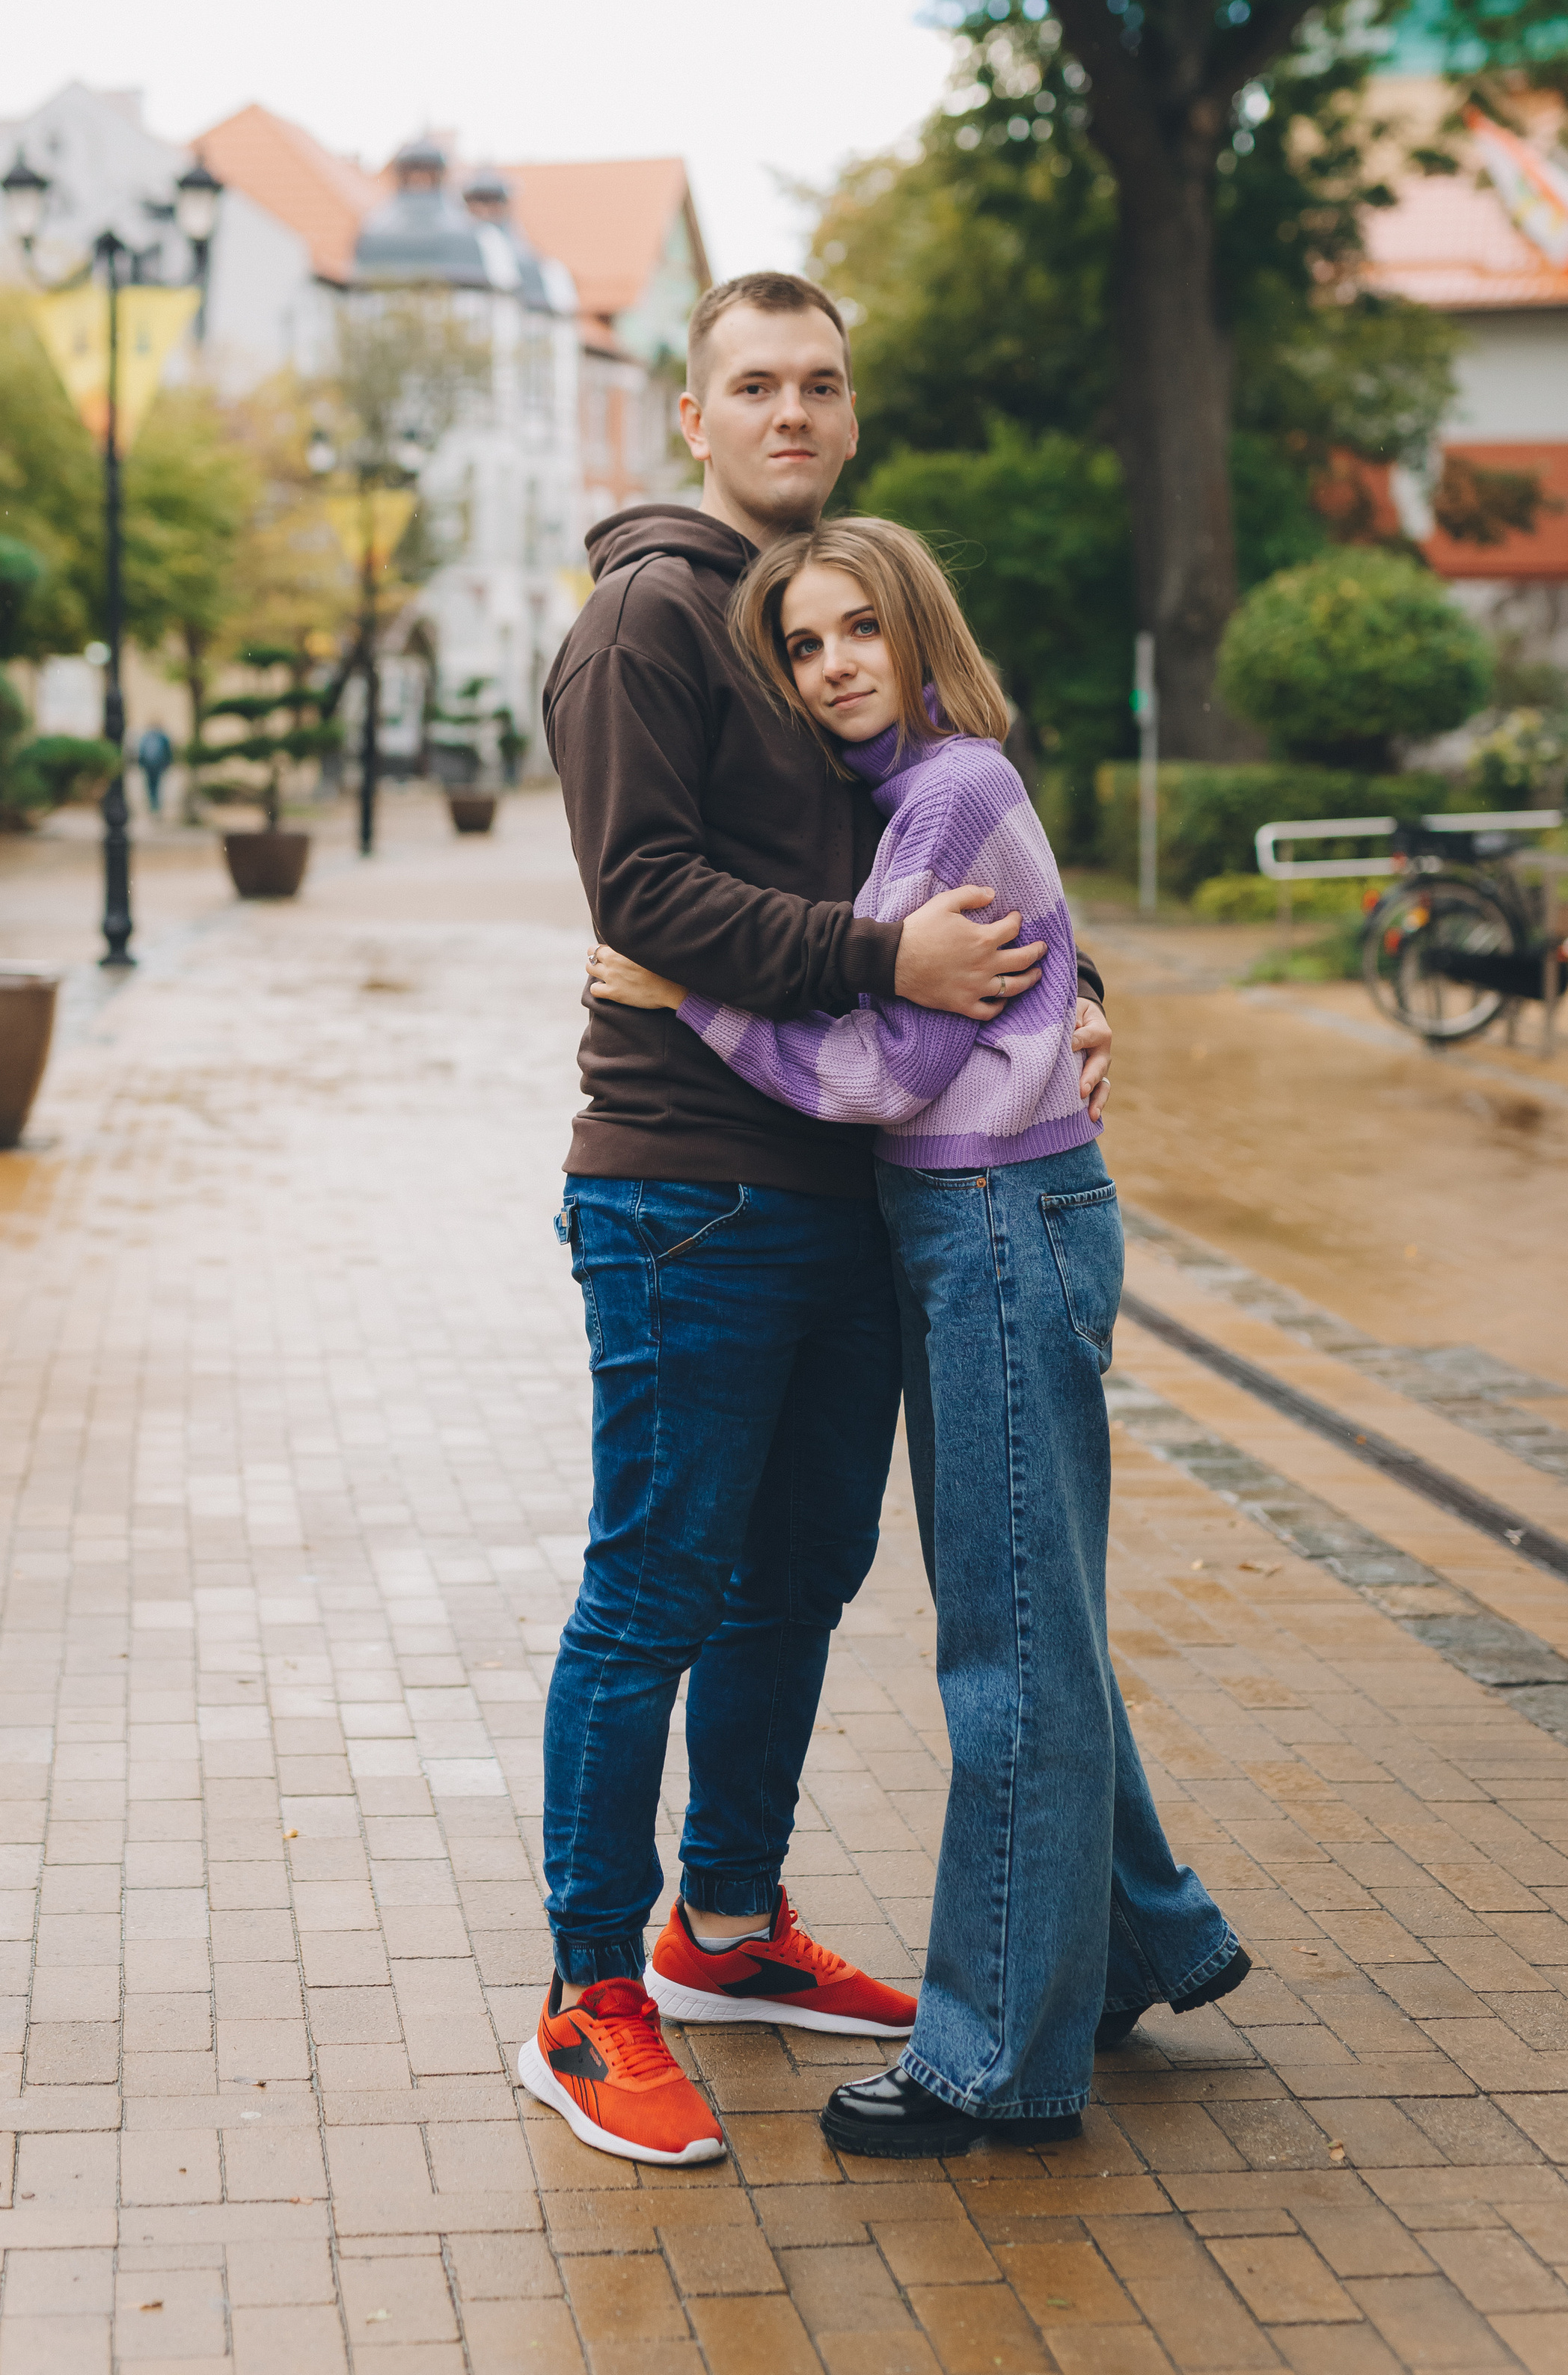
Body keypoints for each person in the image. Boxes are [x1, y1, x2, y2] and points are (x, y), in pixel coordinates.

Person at [520, 271, 1115, 2171]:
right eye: (751, 384)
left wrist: (1072, 996)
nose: (789, 410)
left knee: (797, 1580)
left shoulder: (811, 627)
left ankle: (727, 1925)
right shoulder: (643, 620)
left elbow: (962, 849)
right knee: (653, 1586)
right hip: (685, 1188)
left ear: (849, 419)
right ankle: (588, 1995)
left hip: (847, 1188)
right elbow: (646, 892)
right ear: (688, 417)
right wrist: (883, 956)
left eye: (819, 383)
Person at [589, 512, 1248, 2160]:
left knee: (1007, 1644)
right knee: (1027, 1617)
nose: (831, 668)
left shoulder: (940, 790)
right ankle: (1141, 1932)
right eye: (803, 647)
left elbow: (883, 1068)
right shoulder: (913, 791)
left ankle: (995, 2063)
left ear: (917, 628)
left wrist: (693, 997)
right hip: (981, 1223)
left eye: (857, 631)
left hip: (996, 1225)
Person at [135, 725, 173, 816]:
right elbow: (168, 751)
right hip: (157, 765)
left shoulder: (146, 737)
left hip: (150, 765)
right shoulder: (162, 737)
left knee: (151, 786)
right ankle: (155, 806)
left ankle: (153, 806)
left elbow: (141, 751)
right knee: (156, 785)